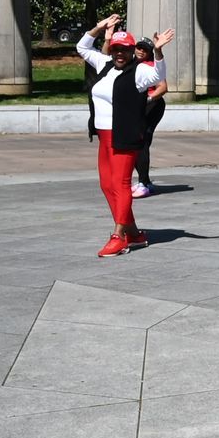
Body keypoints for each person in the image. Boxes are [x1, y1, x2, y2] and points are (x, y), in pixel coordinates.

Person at [78, 14, 171, 257]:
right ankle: (135, 234)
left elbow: (158, 76)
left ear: (132, 51)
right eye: (116, 49)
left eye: (125, 49)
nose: (120, 53)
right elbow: (82, 47)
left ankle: (119, 236)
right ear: (112, 49)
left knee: (120, 185)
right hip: (104, 136)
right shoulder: (105, 65)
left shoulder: (139, 71)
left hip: (125, 135)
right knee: (107, 185)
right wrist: (100, 27)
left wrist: (158, 51)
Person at [129, 37, 169, 200]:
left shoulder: (151, 65)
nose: (140, 51)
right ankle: (145, 181)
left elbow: (163, 87)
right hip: (138, 107)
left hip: (152, 106)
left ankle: (143, 184)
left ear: (149, 52)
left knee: (142, 142)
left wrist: (148, 99)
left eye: (144, 49)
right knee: (135, 143)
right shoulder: (131, 64)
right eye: (139, 48)